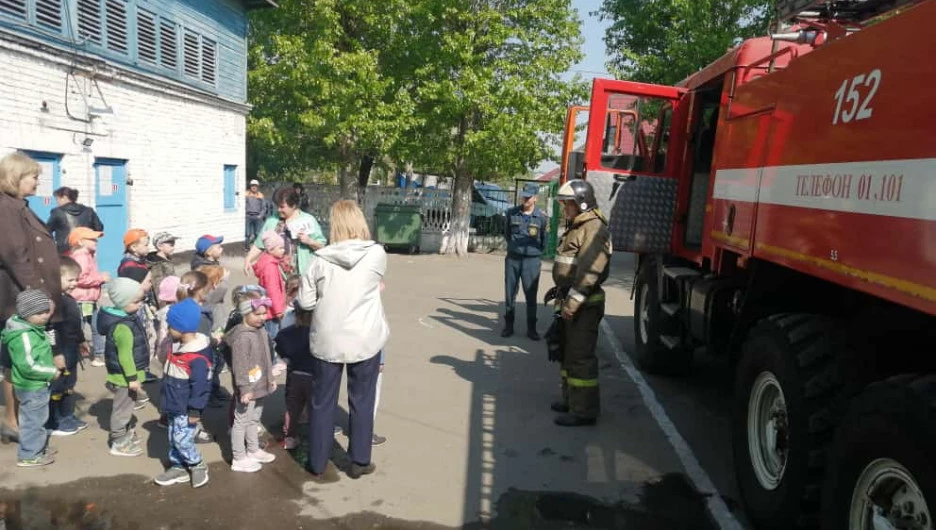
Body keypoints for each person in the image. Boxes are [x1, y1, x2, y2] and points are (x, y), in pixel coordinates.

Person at [298, 200, 389, 482]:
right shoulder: (376, 254)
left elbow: (305, 301)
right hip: (365, 337)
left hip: (328, 338)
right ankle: (360, 460)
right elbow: (376, 283)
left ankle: (317, 462)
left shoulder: (320, 259)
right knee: (362, 399)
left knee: (322, 402)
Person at [0, 152, 62, 445]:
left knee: (22, 359)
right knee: (18, 361)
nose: (38, 181)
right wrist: (38, 296)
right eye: (33, 176)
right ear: (16, 177)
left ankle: (25, 419)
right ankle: (13, 421)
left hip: (26, 295)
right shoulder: (6, 207)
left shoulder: (18, 206)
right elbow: (16, 256)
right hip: (19, 298)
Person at [547, 179, 612, 427]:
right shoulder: (578, 224)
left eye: (568, 205)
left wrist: (572, 304)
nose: (565, 209)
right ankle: (570, 400)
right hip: (569, 299)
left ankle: (584, 412)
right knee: (566, 353)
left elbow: (590, 272)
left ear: (581, 203)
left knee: (580, 357)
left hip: (584, 305)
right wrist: (560, 290)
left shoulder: (594, 229)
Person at [154, 298, 212, 488]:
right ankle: (178, 465)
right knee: (173, 437)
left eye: (170, 326)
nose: (168, 329)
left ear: (183, 328)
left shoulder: (197, 358)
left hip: (185, 407)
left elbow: (201, 387)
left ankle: (197, 464)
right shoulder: (176, 344)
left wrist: (195, 411)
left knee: (181, 438)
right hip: (173, 402)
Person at [3, 290, 59, 467]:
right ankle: (29, 455)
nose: (44, 316)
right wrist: (50, 372)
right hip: (32, 385)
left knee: (37, 419)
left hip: (36, 383)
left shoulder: (31, 328)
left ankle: (36, 447)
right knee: (33, 421)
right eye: (39, 313)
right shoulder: (25, 336)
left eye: (46, 312)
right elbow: (27, 365)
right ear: (26, 314)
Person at [225, 295, 277, 472]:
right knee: (241, 421)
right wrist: (244, 388)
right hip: (247, 388)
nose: (262, 317)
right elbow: (240, 366)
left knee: (254, 419)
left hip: (261, 384)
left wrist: (270, 378)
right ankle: (239, 457)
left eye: (264, 313)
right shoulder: (242, 337)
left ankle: (253, 449)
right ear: (245, 314)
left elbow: (266, 357)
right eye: (258, 314)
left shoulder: (261, 331)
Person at [98, 277, 147, 456]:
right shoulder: (123, 328)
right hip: (125, 378)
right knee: (122, 409)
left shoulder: (126, 318)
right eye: (136, 301)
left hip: (126, 376)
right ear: (122, 302)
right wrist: (132, 379)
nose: (140, 304)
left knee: (127, 405)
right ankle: (118, 440)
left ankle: (124, 433)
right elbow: (125, 356)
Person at [243, 187, 326, 279]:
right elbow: (259, 244)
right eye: (277, 206)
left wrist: (309, 241)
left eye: (282, 207)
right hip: (275, 276)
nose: (278, 210)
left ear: (294, 205)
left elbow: (322, 246)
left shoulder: (308, 220)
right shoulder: (272, 220)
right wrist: (248, 259)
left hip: (302, 277)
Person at [48, 257, 90, 436]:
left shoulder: (69, 299)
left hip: (71, 348)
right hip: (60, 350)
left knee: (68, 384)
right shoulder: (53, 302)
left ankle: (66, 415)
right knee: (56, 386)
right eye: (70, 280)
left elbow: (74, 323)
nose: (75, 283)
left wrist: (81, 340)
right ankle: (53, 421)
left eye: (76, 279)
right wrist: (56, 353)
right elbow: (50, 330)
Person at [502, 184, 548, 340]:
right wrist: (515, 249)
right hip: (513, 259)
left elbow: (544, 240)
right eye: (524, 196)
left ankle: (531, 329)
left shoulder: (541, 217)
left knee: (531, 295)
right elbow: (507, 235)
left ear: (536, 198)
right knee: (510, 294)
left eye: (529, 197)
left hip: (532, 262)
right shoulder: (511, 213)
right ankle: (508, 326)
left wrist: (532, 253)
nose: (525, 199)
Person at [66, 227, 110, 368]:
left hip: (88, 299)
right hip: (81, 300)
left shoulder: (88, 254)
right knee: (81, 328)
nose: (95, 241)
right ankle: (76, 355)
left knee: (94, 327)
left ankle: (96, 354)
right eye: (91, 239)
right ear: (80, 242)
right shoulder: (81, 257)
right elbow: (79, 278)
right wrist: (100, 278)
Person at [276, 306, 313, 450]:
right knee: (315, 409)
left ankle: (289, 437)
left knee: (292, 409)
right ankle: (316, 437)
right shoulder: (317, 334)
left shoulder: (287, 333)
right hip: (313, 376)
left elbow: (279, 347)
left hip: (294, 375)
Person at [46, 186, 104, 254]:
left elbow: (47, 230)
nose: (57, 202)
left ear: (64, 197)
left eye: (57, 199)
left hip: (65, 250)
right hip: (85, 248)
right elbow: (99, 228)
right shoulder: (89, 211)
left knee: (68, 265)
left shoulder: (57, 212)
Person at [253, 231, 287, 340]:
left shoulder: (269, 262)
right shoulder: (270, 267)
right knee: (272, 337)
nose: (283, 250)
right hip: (271, 311)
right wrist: (278, 310)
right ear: (271, 249)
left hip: (268, 308)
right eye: (280, 248)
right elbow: (273, 290)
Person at [146, 232, 178, 302]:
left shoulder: (166, 260)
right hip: (166, 301)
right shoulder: (157, 265)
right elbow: (158, 287)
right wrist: (163, 306)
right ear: (160, 246)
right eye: (171, 245)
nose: (173, 248)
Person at [245, 179, 266, 251]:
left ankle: (256, 247)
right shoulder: (246, 194)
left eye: (255, 186)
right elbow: (242, 205)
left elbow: (264, 207)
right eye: (252, 186)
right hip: (248, 216)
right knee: (247, 233)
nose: (254, 187)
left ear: (257, 187)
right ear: (250, 186)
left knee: (257, 233)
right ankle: (247, 247)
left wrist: (260, 215)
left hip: (257, 217)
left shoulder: (260, 195)